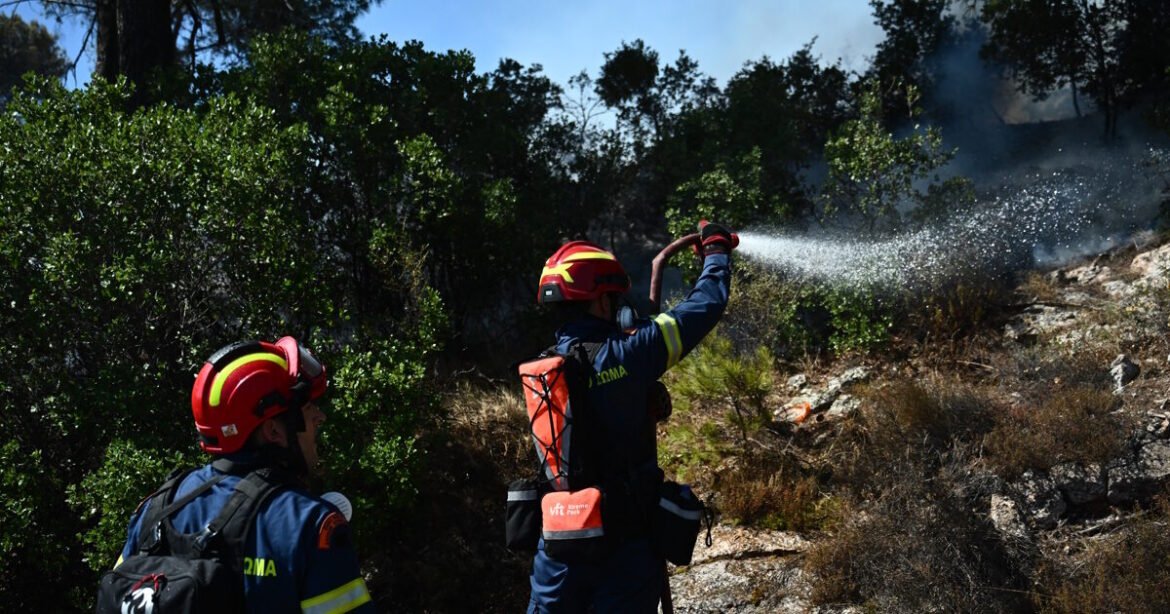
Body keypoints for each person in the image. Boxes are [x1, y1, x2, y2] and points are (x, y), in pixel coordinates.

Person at [528, 222, 735, 613]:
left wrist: (638, 397)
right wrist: (717, 251)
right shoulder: (629, 354)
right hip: (623, 544)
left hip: (557, 545)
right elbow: (705, 305)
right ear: (602, 301)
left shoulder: (544, 368)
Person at [112, 337, 374, 613]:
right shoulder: (311, 524)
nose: (320, 418)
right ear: (274, 431)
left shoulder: (154, 511)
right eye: (309, 411)